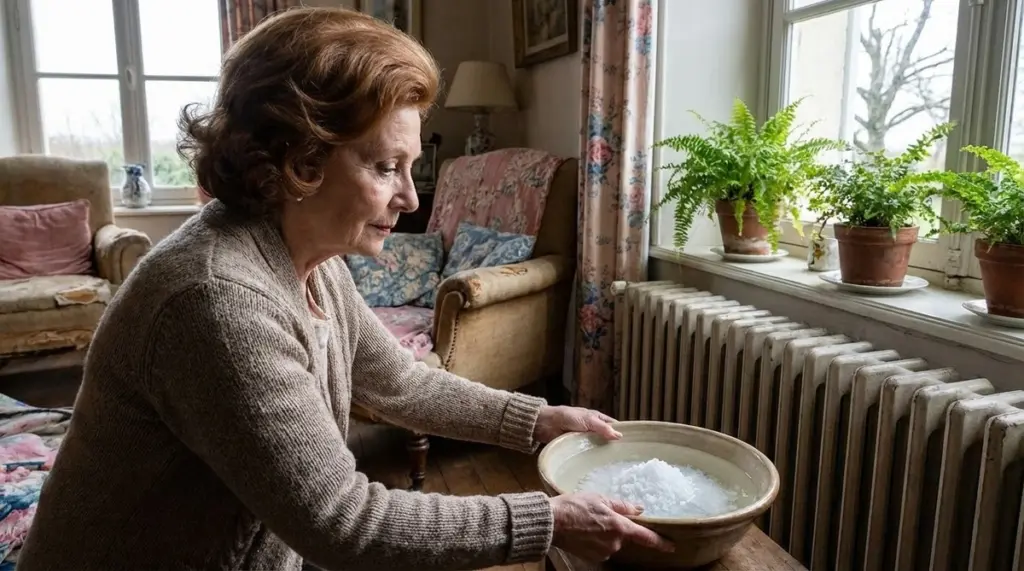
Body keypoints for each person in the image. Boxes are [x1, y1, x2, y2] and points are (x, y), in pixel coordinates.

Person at [17, 7, 673, 571]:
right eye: (386, 166)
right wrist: (546, 519)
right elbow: (342, 521)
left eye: (410, 167)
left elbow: (400, 382)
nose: (410, 197)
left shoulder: (313, 258)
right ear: (301, 163)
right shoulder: (214, 300)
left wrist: (538, 420)